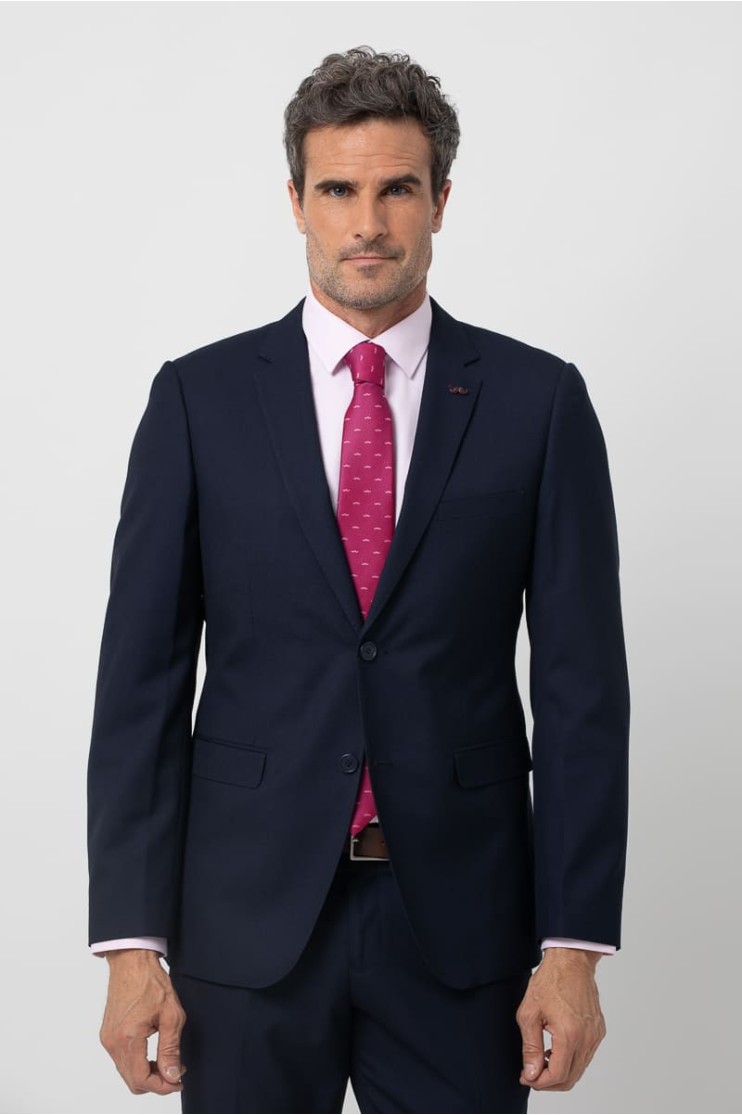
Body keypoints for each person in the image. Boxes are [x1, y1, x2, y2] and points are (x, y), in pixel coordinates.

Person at [87, 46, 630, 1114]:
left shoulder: (538, 402)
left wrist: (572, 947)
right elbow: (140, 684)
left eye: (397, 190)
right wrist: (130, 943)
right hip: (243, 927)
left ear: (441, 202)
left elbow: (582, 693)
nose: (367, 224)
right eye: (338, 190)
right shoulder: (198, 401)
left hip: (462, 930)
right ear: (296, 201)